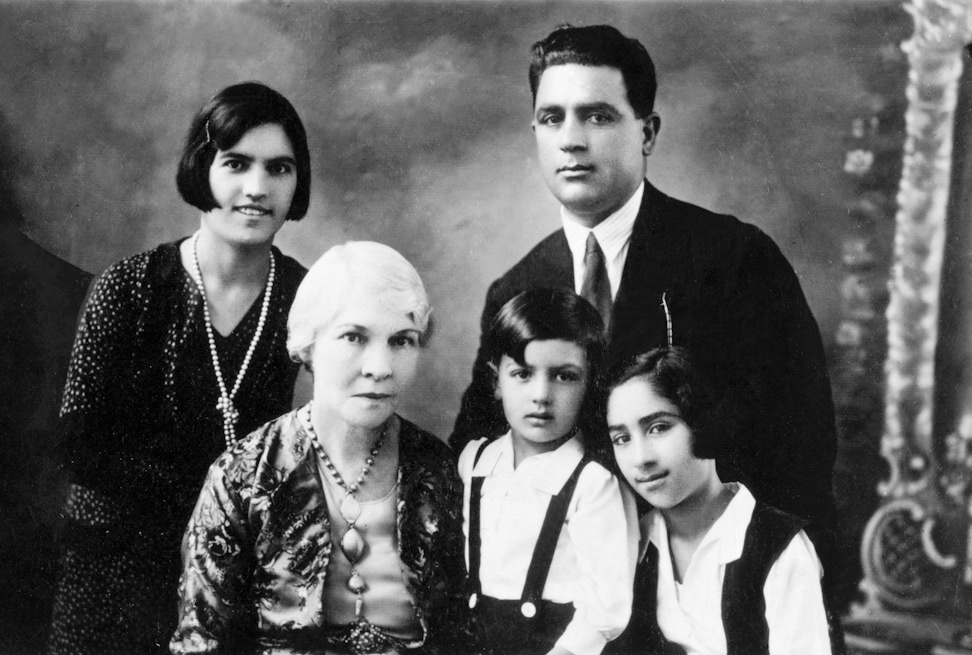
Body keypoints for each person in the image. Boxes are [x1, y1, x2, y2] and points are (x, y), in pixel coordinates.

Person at [450, 24, 840, 583]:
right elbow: (480, 453)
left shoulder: (733, 261)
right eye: (552, 118)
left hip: (710, 584)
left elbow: (799, 453)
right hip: (566, 598)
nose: (571, 140)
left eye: (598, 116)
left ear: (647, 132)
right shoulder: (517, 290)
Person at [48, 82, 312, 654]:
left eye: (280, 169)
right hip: (116, 568)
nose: (257, 189)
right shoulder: (129, 287)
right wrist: (212, 500)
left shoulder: (306, 296)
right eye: (236, 164)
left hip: (234, 580)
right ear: (200, 168)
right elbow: (79, 442)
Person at [170, 241, 467, 655]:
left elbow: (461, 630)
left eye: (402, 340)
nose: (379, 367)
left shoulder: (437, 468)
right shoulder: (242, 474)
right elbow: (201, 642)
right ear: (308, 344)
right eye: (354, 337)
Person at [605, 347, 841, 655]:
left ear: (702, 423)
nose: (640, 459)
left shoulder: (775, 546)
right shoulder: (633, 543)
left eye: (659, 427)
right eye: (622, 439)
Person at [457, 288, 636, 655]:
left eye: (564, 376)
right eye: (522, 374)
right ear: (495, 382)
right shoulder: (475, 464)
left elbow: (605, 609)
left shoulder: (592, 483)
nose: (541, 394)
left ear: (590, 384)